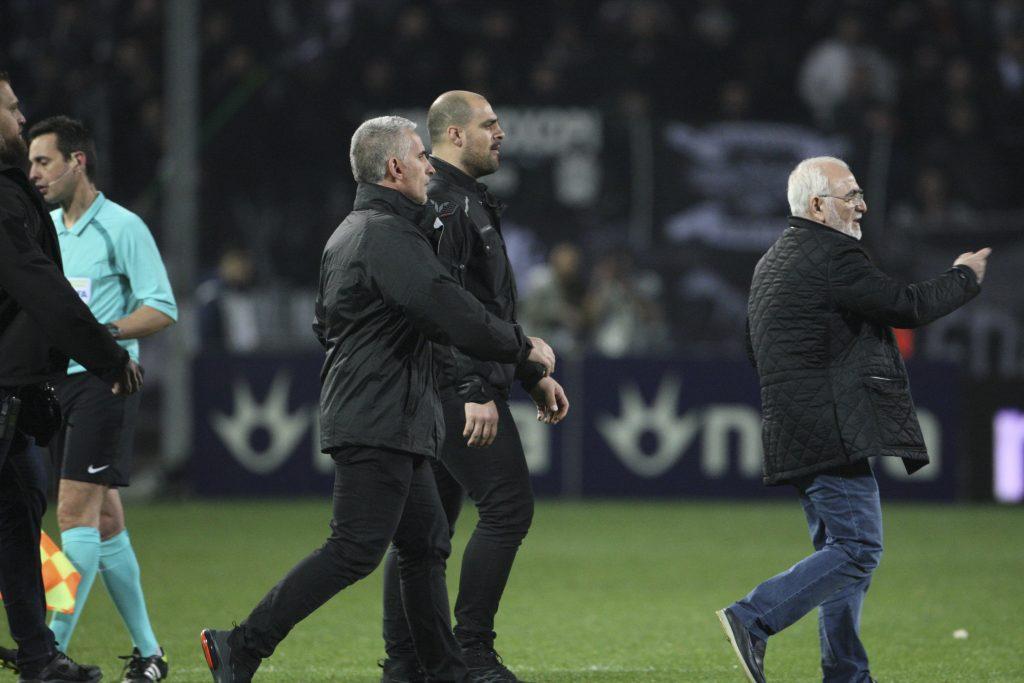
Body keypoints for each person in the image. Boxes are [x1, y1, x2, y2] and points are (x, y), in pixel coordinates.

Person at [199, 115, 557, 683]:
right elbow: (450, 311)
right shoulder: (386, 237)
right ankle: (241, 645)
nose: (428, 167)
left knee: (425, 545)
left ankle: (441, 670)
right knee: (355, 548)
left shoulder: (355, 232)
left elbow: (325, 323)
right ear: (394, 167)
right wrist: (522, 348)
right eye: (419, 156)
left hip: (395, 413)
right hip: (377, 415)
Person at [716, 156, 990, 683]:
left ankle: (846, 674)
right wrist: (963, 278)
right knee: (859, 548)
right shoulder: (832, 254)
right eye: (852, 196)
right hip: (831, 428)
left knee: (840, 555)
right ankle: (753, 616)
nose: (862, 205)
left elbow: (752, 345)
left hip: (797, 427)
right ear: (819, 206)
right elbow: (905, 306)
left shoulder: (771, 260)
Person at [379, 90, 569, 683]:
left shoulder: (465, 200)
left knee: (424, 530)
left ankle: (406, 663)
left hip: (447, 386)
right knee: (507, 508)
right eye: (490, 124)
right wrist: (469, 389)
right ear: (455, 135)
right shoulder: (444, 205)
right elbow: (440, 310)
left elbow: (485, 307)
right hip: (451, 389)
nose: (501, 132)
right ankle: (473, 652)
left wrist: (530, 374)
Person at [0, 70, 143, 683]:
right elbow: (40, 287)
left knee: (20, 516)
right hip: (20, 384)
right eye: (10, 108)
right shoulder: (6, 199)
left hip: (18, 389)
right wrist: (108, 356)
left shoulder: (18, 195)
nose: (20, 116)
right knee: (41, 512)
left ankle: (39, 656)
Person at [23, 115, 177, 682]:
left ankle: (49, 654)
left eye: (43, 161)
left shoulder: (122, 227)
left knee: (72, 514)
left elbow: (161, 308)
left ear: (77, 162)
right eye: (31, 162)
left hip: (105, 382)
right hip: (51, 385)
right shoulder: (44, 230)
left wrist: (100, 334)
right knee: (105, 520)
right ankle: (150, 654)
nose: (34, 173)